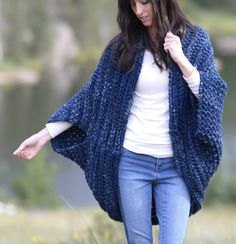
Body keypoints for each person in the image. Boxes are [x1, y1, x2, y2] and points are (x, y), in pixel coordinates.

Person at [13, 0, 228, 243]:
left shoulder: (195, 41)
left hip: (177, 167)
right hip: (132, 164)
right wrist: (44, 135)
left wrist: (181, 60)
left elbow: (212, 96)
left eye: (144, 2)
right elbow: (91, 97)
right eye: (132, 4)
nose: (138, 11)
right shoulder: (123, 47)